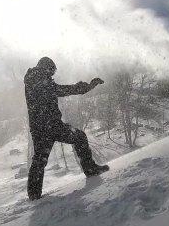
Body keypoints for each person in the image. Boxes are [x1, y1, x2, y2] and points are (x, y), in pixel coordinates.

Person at [24, 57, 109, 200]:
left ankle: (33, 194)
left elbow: (57, 90)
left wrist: (85, 87)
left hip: (44, 127)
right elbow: (62, 90)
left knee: (40, 159)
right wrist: (86, 87)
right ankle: (90, 169)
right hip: (48, 126)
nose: (52, 75)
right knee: (77, 138)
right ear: (47, 68)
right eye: (52, 71)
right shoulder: (40, 81)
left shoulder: (34, 79)